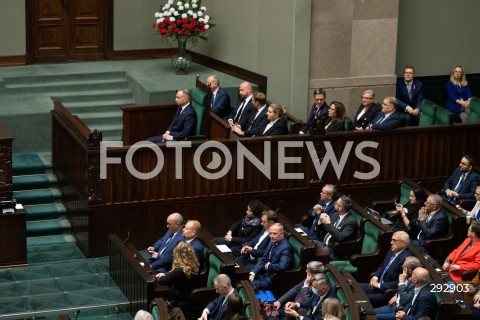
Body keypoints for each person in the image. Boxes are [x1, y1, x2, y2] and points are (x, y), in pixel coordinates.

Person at [361, 231, 412, 307]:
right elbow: (382, 265)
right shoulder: (392, 251)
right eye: (391, 240)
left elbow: (399, 282)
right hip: (377, 285)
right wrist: (375, 277)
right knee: (354, 288)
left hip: (386, 292)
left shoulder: (405, 260)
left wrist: (380, 285)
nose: (391, 242)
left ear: (403, 243)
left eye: (394, 241)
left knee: (361, 300)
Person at [155, 242, 204, 315]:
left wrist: (161, 276)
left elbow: (163, 281)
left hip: (179, 301)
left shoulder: (179, 270)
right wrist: (165, 274)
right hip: (190, 299)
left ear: (177, 254)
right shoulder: (196, 266)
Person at [249, 223, 293, 291]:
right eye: (270, 233)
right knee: (245, 274)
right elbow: (264, 258)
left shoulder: (286, 248)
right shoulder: (272, 241)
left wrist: (268, 266)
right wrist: (253, 273)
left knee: (249, 286)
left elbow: (282, 267)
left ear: (282, 234)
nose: (272, 236)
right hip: (264, 273)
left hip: (273, 279)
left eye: (275, 233)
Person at [315, 196, 358, 260]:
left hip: (331, 250)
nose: (334, 203)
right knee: (307, 247)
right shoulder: (335, 214)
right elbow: (325, 229)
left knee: (309, 255)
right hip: (322, 243)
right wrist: (321, 222)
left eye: (336, 203)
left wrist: (328, 223)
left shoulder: (350, 222)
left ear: (340, 208)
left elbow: (340, 237)